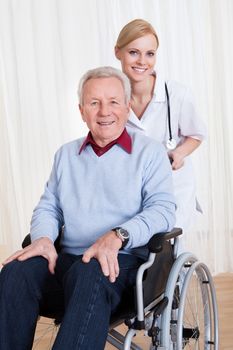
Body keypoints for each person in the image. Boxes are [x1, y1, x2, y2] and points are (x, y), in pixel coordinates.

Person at [0, 66, 176, 350]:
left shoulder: (150, 153)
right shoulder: (66, 155)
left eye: (114, 102)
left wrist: (118, 235)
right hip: (69, 261)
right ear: (82, 111)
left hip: (123, 265)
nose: (104, 111)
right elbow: (49, 207)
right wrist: (43, 239)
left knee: (92, 270)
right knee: (16, 271)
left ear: (127, 106)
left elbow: (163, 210)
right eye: (94, 103)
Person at [115, 19, 206, 239]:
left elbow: (196, 134)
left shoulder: (177, 94)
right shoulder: (113, 96)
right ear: (118, 52)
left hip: (174, 187)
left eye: (150, 54)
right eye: (134, 52)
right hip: (133, 190)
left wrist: (180, 152)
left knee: (162, 244)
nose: (142, 61)